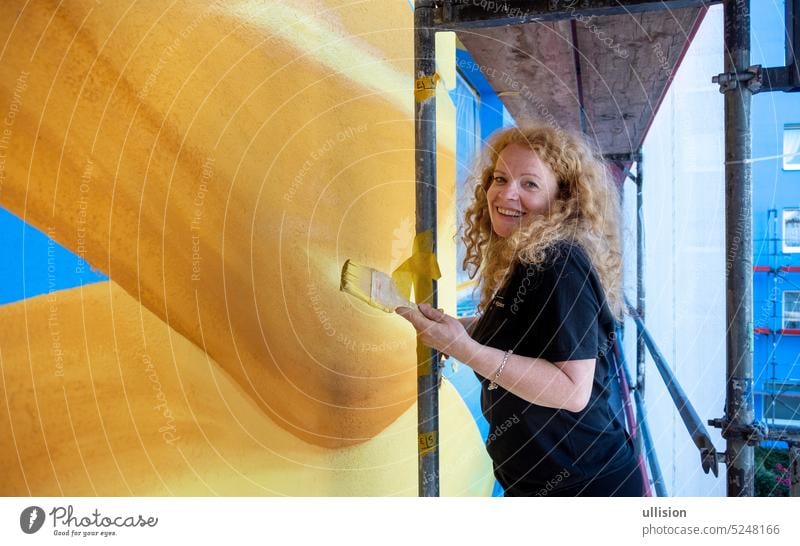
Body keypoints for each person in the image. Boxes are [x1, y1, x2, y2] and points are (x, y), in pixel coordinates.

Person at [396, 122, 644, 497]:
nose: (506, 194)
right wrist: (451, 328)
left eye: (529, 184)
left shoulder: (560, 261)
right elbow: (522, 335)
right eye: (500, 178)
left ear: (560, 199)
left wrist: (465, 349)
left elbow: (573, 390)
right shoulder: (529, 256)